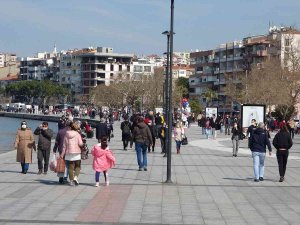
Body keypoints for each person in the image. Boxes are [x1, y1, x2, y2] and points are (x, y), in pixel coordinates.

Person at [61, 122, 84, 186]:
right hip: (77, 152)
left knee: (70, 167)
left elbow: (64, 146)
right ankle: (75, 177)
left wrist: (62, 155)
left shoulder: (66, 134)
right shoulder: (78, 134)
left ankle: (71, 181)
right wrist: (83, 144)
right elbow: (80, 144)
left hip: (68, 153)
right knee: (78, 166)